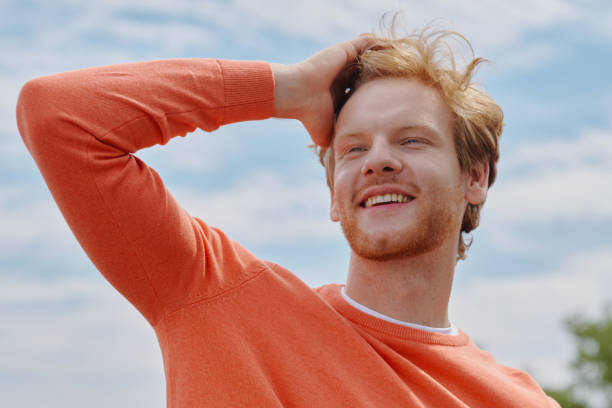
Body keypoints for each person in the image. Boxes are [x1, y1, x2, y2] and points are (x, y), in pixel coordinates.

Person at [16, 18, 560, 407]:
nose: (377, 162)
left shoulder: (515, 401)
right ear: (332, 194)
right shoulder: (215, 298)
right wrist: (284, 90)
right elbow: (59, 116)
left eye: (412, 140)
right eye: (352, 149)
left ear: (475, 176)